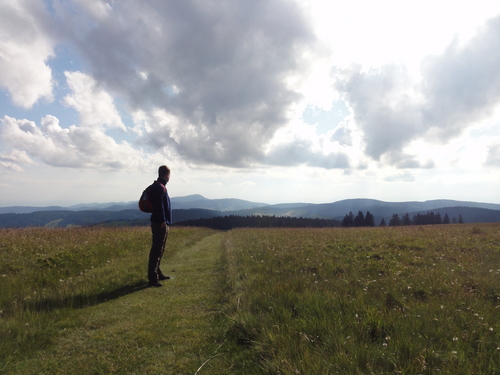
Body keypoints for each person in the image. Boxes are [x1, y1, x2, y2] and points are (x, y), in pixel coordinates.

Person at [147, 165, 172, 287]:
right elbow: (159, 206)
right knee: (157, 249)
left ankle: (158, 273)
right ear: (167, 174)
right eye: (169, 175)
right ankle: (153, 278)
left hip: (161, 222)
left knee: (159, 249)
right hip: (160, 223)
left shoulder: (158, 186)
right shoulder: (159, 187)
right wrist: (163, 221)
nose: (169, 177)